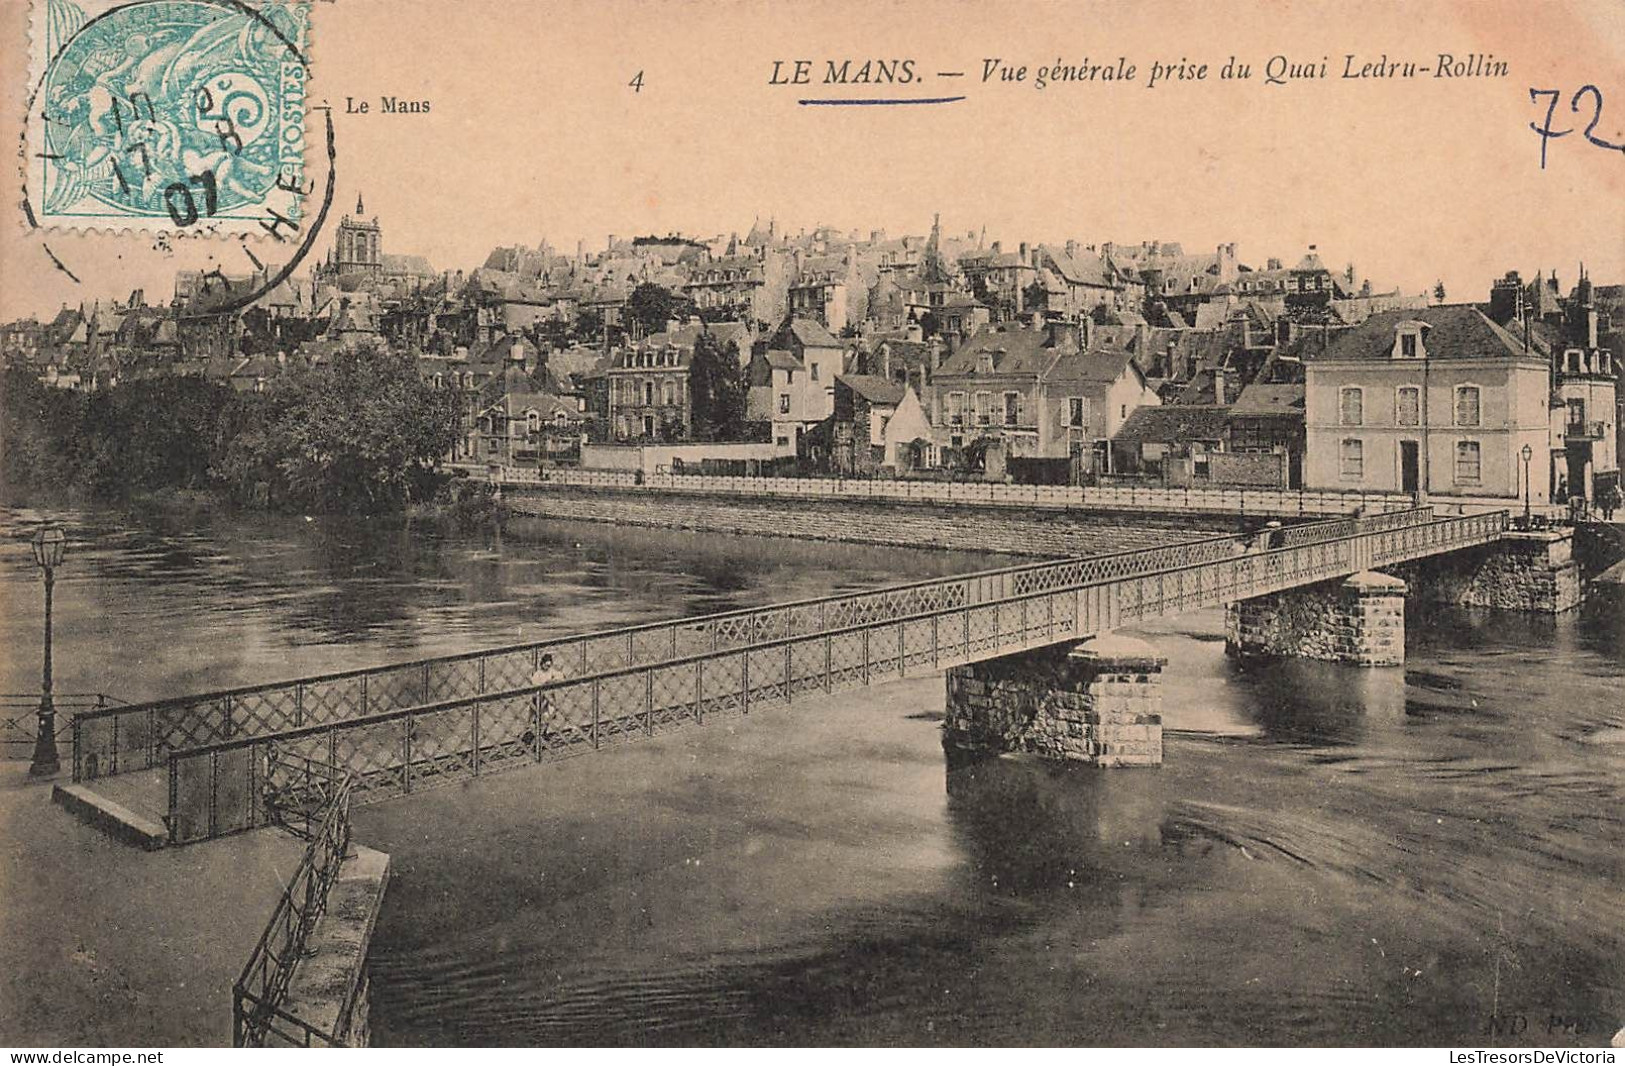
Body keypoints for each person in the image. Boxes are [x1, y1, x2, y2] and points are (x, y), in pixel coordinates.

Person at [529, 652, 566, 748]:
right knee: (540, 718)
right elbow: (534, 685)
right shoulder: (538, 674)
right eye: (546, 665)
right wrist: (544, 683)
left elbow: (561, 676)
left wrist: (554, 680)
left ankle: (543, 735)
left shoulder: (551, 671)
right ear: (542, 664)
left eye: (549, 665)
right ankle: (538, 738)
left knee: (549, 717)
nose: (547, 667)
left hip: (549, 699)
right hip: (539, 700)